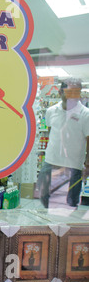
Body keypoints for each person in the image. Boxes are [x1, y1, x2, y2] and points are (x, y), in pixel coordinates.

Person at [37, 78, 89, 208]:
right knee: (44, 196)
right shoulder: (51, 111)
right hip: (51, 162)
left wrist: (87, 165)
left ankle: (65, 227)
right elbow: (50, 132)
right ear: (60, 92)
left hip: (73, 166)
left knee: (70, 203)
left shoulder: (85, 114)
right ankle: (50, 225)